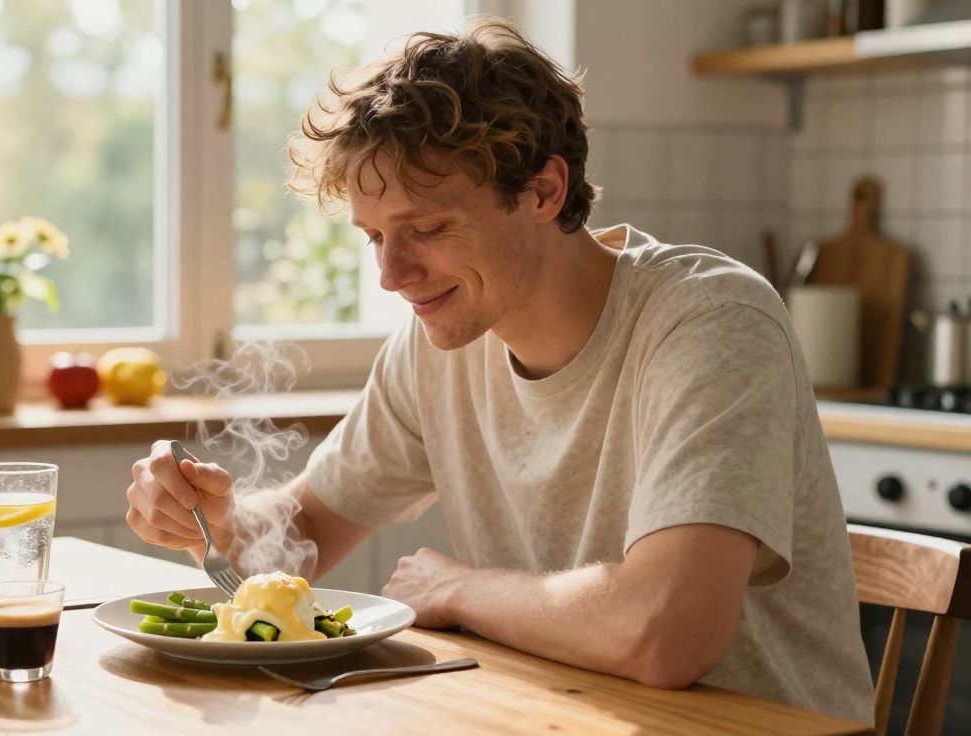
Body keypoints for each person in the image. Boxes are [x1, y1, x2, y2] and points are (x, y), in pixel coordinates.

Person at [125, 19, 873, 723]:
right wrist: (221, 522)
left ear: (543, 190)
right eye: (373, 238)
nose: (391, 275)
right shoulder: (438, 344)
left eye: (427, 229)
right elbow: (306, 529)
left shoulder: (708, 321)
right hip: (564, 716)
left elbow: (665, 631)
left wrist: (461, 589)